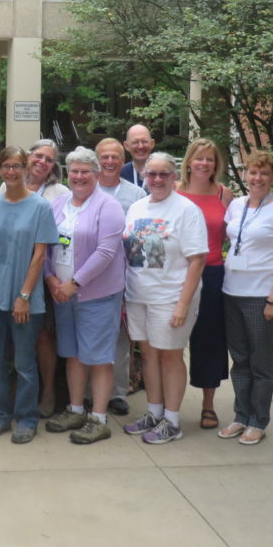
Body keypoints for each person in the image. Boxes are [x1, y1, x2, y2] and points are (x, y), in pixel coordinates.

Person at [0, 147, 60, 444]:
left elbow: (39, 256)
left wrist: (24, 295)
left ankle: (26, 417)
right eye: (6, 166)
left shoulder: (40, 208)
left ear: (25, 168)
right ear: (0, 168)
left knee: (24, 362)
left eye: (17, 166)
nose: (12, 171)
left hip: (25, 299)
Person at [122, 152, 207, 445]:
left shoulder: (186, 210)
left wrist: (183, 303)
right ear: (144, 176)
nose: (157, 179)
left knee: (170, 355)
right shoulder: (135, 207)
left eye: (163, 174)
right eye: (152, 174)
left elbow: (197, 260)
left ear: (174, 177)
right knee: (148, 354)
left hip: (170, 296)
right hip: (138, 294)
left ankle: (172, 421)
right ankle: (154, 412)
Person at [43, 147, 126, 444]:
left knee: (99, 357)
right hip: (62, 294)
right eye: (74, 171)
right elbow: (46, 244)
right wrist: (51, 278)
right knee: (74, 354)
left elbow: (106, 251)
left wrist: (74, 283)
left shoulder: (109, 206)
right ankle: (76, 409)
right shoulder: (59, 204)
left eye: (85, 171)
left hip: (97, 295)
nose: (79, 177)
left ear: (97, 174)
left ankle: (99, 418)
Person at [219, 151, 273, 445]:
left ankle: (258, 420)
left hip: (261, 296)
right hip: (232, 292)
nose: (257, 178)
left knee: (260, 363)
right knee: (239, 360)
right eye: (253, 172)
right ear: (245, 174)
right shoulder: (237, 206)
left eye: (264, 173)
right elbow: (232, 242)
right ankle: (241, 416)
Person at [177, 138, 234, 430]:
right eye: (198, 158)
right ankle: (166, 403)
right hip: (175, 275)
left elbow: (235, 237)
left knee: (209, 341)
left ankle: (208, 405)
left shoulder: (224, 194)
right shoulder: (174, 191)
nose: (203, 164)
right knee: (171, 341)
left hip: (211, 273)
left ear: (216, 164)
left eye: (209, 159)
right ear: (188, 161)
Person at [95, 136, 146, 416]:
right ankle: (90, 393)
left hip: (123, 277)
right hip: (90, 277)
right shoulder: (84, 189)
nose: (110, 161)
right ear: (96, 159)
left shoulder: (136, 196)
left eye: (115, 156)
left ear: (122, 161)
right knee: (91, 335)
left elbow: (140, 241)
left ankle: (116, 393)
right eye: (105, 156)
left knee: (120, 338)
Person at [23, 138, 69, 417]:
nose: (42, 162)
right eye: (38, 155)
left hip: (46, 272)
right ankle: (23, 390)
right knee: (17, 335)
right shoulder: (10, 184)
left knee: (43, 336)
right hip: (16, 271)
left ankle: (49, 391)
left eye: (49, 159)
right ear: (28, 156)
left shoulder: (59, 191)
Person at [121, 124, 156, 189]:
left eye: (144, 141)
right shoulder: (121, 174)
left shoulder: (163, 173)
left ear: (152, 144)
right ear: (126, 146)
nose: (140, 146)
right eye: (135, 142)